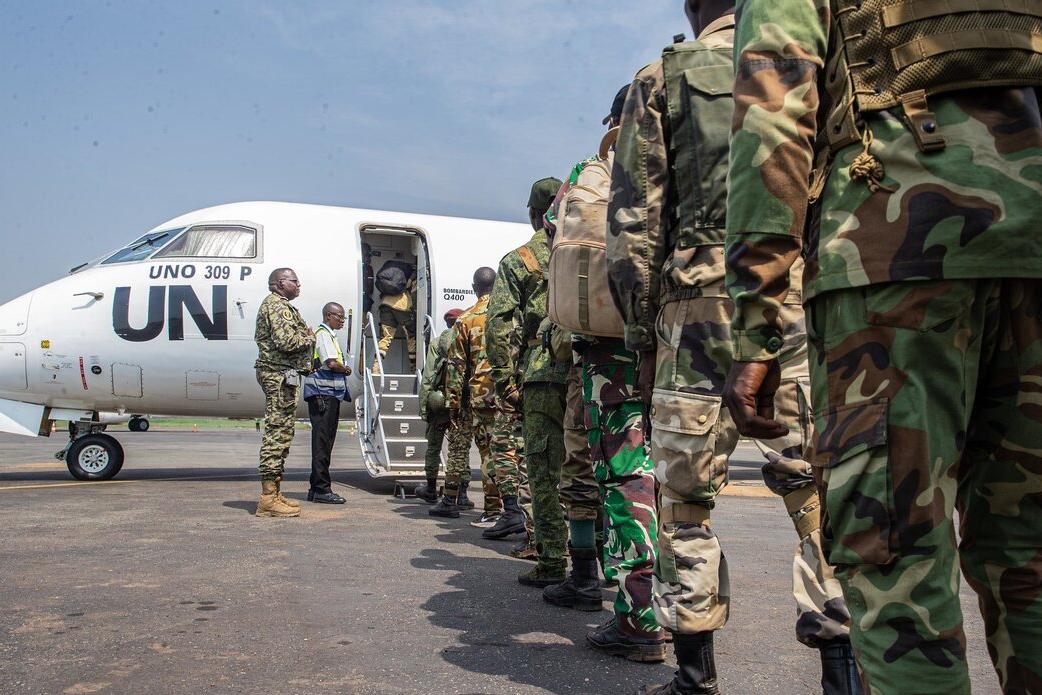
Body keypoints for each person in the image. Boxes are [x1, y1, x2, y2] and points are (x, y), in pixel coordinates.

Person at [721, 1, 1042, 693]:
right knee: (1031, 555)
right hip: (1033, 237)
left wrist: (756, 325)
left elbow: (772, 121)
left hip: (891, 255)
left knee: (897, 553)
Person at [606, 2, 858, 692]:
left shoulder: (661, 78)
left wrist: (640, 331)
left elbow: (633, 225)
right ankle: (843, 672)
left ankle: (695, 677)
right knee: (817, 489)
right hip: (796, 299)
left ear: (693, 11)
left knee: (685, 502)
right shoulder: (808, 61)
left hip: (694, 310)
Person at [543, 86, 665, 663]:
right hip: (683, 337)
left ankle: (640, 619)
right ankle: (690, 624)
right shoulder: (681, 156)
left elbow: (556, 235)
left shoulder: (593, 170)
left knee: (626, 480)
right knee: (681, 482)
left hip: (611, 352)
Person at [487, 177, 570, 587]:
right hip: (592, 374)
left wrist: (506, 383)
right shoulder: (589, 252)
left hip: (542, 376)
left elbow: (501, 327)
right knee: (595, 470)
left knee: (543, 472)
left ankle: (553, 559)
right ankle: (606, 562)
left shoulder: (520, 260)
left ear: (534, 214)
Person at [434, 268, 501, 519]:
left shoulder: (467, 319)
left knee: (478, 452)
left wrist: (452, 402)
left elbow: (456, 365)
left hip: (476, 397)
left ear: (474, 289)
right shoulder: (510, 315)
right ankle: (505, 510)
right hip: (508, 396)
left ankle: (486, 508)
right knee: (504, 453)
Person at [254, 267, 314, 519]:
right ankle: (267, 499)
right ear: (280, 283)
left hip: (283, 376)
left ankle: (274, 493)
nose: (298, 285)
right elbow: (286, 342)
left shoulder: (280, 305)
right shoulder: (277, 306)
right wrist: (309, 336)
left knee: (283, 432)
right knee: (276, 434)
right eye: (294, 281)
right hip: (278, 376)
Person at [302, 302, 351, 505]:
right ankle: (322, 488)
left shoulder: (328, 334)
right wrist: (345, 369)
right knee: (323, 442)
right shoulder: (323, 334)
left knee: (325, 441)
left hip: (328, 394)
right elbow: (330, 363)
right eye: (339, 317)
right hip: (324, 395)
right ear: (329, 316)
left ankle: (316, 488)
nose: (342, 321)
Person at [416, 308, 464, 503]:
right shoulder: (465, 340)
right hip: (459, 402)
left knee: (434, 446)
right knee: (460, 447)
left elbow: (428, 377)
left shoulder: (437, 343)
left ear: (446, 323)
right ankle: (462, 493)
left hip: (438, 402)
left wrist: (424, 407)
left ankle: (430, 487)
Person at [375, 257, 417, 371]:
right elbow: (414, 292)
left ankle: (376, 367)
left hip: (385, 304)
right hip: (401, 305)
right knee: (411, 336)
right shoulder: (412, 273)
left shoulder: (389, 272)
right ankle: (414, 368)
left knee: (385, 338)